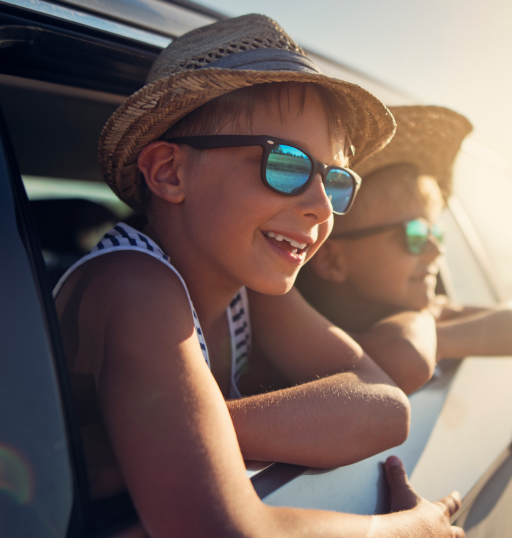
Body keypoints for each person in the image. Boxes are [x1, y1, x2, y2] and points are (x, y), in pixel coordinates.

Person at [53, 15, 463, 537]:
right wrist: (412, 530)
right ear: (169, 173)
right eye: (286, 165)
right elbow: (223, 531)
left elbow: (385, 406)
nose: (322, 207)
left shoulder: (244, 283)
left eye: (336, 181)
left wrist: (192, 434)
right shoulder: (134, 288)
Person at [296, 106, 512, 394]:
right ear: (332, 260)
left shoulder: (427, 311)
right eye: (415, 234)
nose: (436, 251)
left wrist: (430, 336)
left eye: (437, 233)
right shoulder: (297, 333)